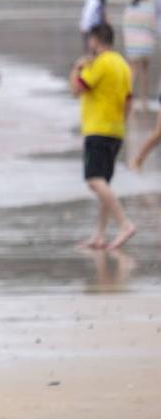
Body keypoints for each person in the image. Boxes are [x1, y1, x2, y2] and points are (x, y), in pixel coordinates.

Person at [70, 23, 135, 249]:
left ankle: (124, 224)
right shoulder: (123, 65)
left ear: (96, 40)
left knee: (94, 180)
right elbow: (129, 100)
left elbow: (77, 89)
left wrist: (77, 67)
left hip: (98, 129)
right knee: (103, 182)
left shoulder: (100, 63)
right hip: (116, 130)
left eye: (90, 39)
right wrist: (122, 124)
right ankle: (99, 234)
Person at [121, 0, 156, 111]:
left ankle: (128, 97)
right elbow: (153, 26)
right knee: (144, 73)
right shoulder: (149, 9)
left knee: (132, 73)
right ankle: (144, 101)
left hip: (132, 46)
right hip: (146, 45)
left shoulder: (129, 8)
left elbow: (125, 26)